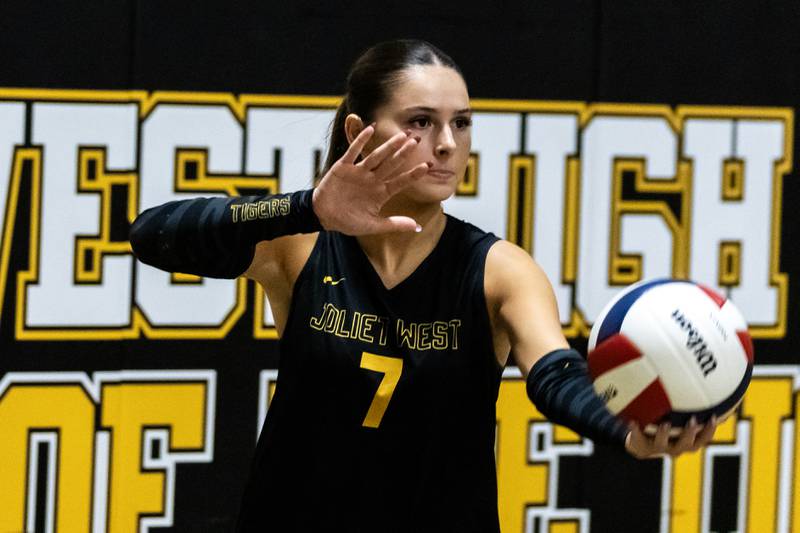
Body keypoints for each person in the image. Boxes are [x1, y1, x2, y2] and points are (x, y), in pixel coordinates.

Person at [129, 39, 717, 532]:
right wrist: (306, 207)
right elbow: (150, 234)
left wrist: (625, 431)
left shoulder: (498, 270)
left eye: (460, 123)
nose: (446, 143)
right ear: (360, 130)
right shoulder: (302, 243)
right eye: (420, 122)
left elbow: (555, 375)